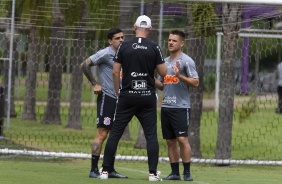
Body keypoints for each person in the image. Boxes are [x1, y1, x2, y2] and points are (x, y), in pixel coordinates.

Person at [99, 15, 167, 181]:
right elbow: (164, 73)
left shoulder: (124, 46)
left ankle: (105, 172)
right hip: (147, 97)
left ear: (135, 27)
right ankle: (152, 174)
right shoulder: (154, 47)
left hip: (127, 96)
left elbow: (115, 71)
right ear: (150, 29)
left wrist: (117, 91)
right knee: (151, 135)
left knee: (115, 133)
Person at [80, 28, 128, 179]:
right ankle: (94, 169)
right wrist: (95, 83)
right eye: (117, 38)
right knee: (102, 133)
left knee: (114, 135)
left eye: (122, 37)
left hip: (120, 100)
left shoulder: (124, 54)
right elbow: (84, 65)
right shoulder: (105, 53)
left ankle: (109, 169)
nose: (121, 40)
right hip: (107, 98)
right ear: (110, 41)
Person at [155, 30, 199, 181]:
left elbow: (195, 82)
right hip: (166, 107)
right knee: (170, 141)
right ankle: (174, 173)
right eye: (169, 40)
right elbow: (161, 85)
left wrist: (179, 76)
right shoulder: (164, 62)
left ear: (182, 43)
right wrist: (149, 76)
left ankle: (187, 172)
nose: (171, 42)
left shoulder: (187, 61)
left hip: (181, 107)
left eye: (174, 40)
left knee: (182, 139)